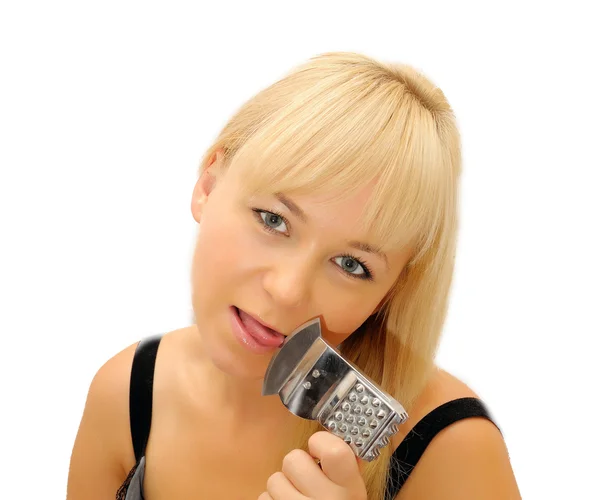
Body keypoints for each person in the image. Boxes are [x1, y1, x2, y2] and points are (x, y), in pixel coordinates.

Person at [67, 51, 521, 499]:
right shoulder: (126, 393)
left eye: (352, 265)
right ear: (208, 186)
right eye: (273, 219)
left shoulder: (451, 447)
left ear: (388, 293)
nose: (287, 291)